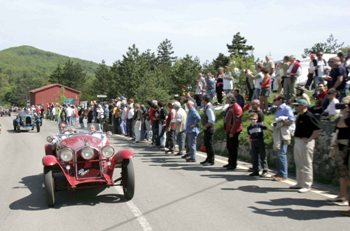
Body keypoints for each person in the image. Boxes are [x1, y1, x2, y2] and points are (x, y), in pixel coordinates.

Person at [290, 99, 321, 193]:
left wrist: (309, 139)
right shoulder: (300, 116)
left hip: (306, 142)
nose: (296, 107)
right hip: (298, 140)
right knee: (299, 162)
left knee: (306, 163)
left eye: (297, 105)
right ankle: (299, 183)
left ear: (304, 106)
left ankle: (307, 185)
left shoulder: (309, 116)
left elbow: (317, 130)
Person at [329, 96, 350, 208]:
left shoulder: (347, 116)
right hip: (340, 144)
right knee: (342, 172)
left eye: (345, 104)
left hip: (346, 146)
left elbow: (340, 124)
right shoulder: (344, 115)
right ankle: (342, 195)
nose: (343, 106)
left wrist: (345, 114)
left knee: (345, 172)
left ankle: (345, 197)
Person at [272, 95, 295, 181]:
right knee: (278, 152)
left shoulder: (286, 108)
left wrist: (281, 124)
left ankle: (283, 174)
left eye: (275, 100)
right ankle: (279, 172)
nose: (274, 101)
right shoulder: (278, 109)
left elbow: (291, 120)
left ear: (280, 100)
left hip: (284, 132)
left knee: (282, 153)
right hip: (278, 131)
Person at [223, 94, 243, 170]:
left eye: (227, 99)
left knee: (233, 148)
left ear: (230, 99)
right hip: (229, 130)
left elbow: (237, 121)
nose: (226, 100)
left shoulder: (236, 107)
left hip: (233, 131)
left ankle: (233, 164)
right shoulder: (231, 106)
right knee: (229, 147)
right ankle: (230, 162)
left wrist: (232, 131)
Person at [201, 95, 216, 166]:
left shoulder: (209, 108)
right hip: (207, 128)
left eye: (202, 100)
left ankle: (211, 160)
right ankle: (208, 158)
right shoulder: (207, 107)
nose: (202, 101)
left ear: (205, 100)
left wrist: (205, 126)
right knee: (207, 144)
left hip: (209, 128)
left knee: (209, 145)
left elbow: (212, 120)